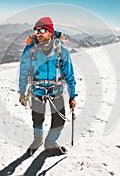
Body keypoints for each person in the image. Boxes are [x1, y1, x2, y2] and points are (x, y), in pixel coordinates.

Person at [18, 17, 77, 155]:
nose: (39, 33)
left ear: (50, 32)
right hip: (37, 91)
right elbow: (23, 72)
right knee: (37, 118)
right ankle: (37, 140)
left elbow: (69, 75)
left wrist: (72, 95)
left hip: (56, 91)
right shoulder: (30, 50)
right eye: (37, 30)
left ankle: (50, 143)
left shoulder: (62, 50)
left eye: (42, 30)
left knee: (59, 120)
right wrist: (22, 93)